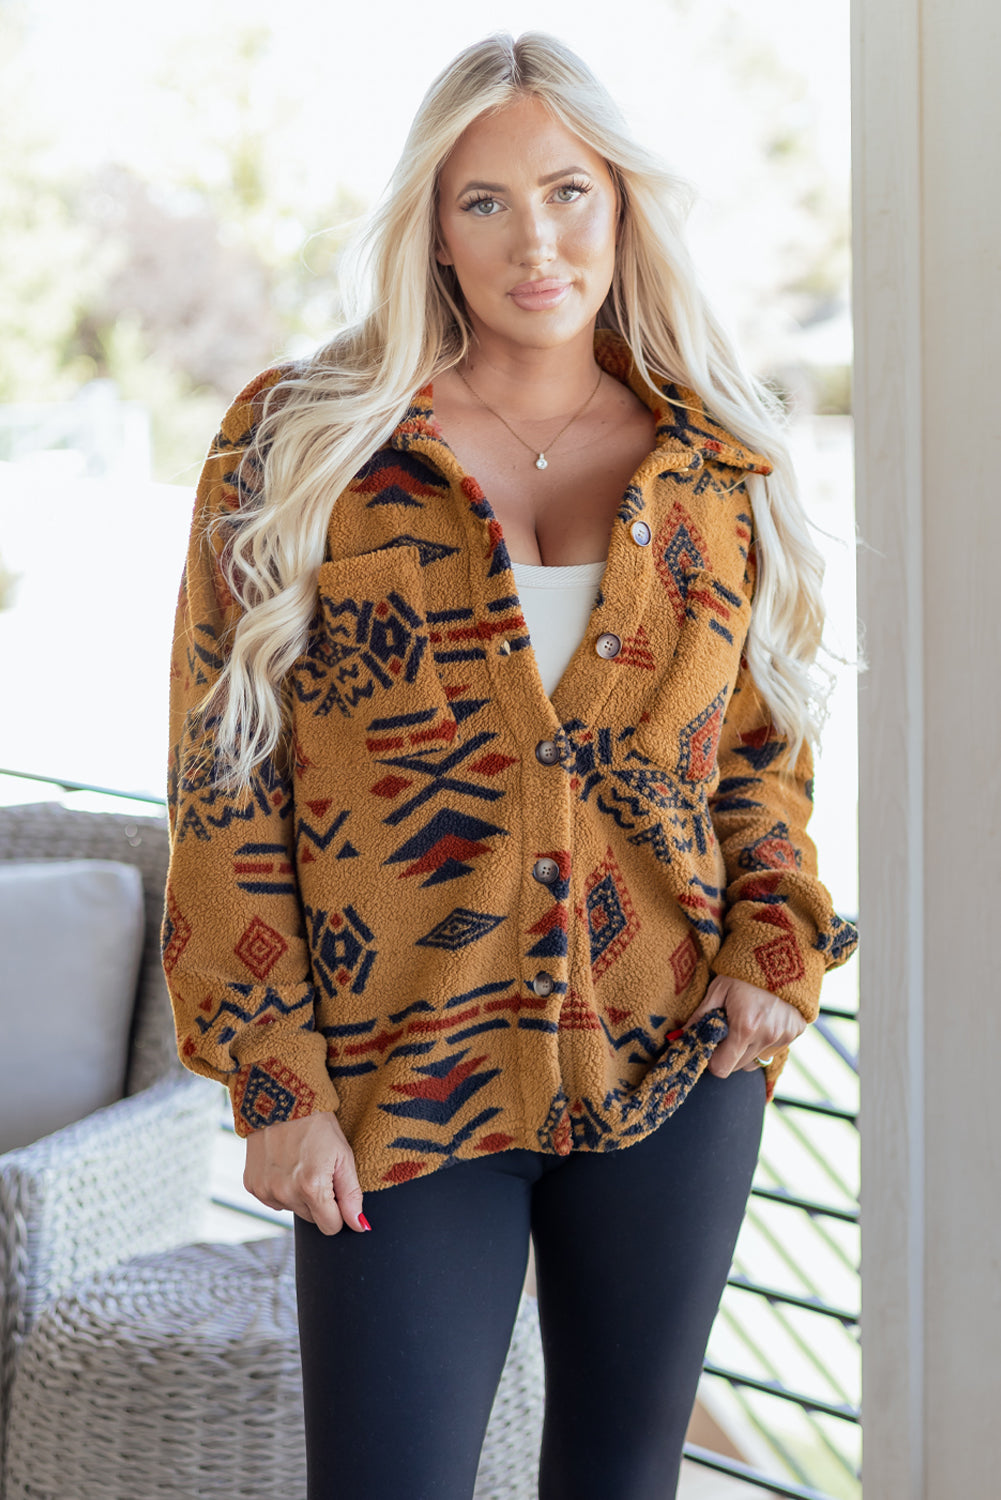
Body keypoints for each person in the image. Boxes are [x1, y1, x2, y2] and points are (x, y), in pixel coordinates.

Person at [162, 31, 858, 1500]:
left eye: (566, 192)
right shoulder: (302, 442)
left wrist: (773, 944)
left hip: (676, 1055)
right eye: (484, 201)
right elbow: (225, 779)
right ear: (432, 229)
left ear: (621, 203)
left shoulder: (711, 458)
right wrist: (273, 1079)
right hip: (397, 1068)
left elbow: (758, 750)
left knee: (623, 1477)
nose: (534, 240)